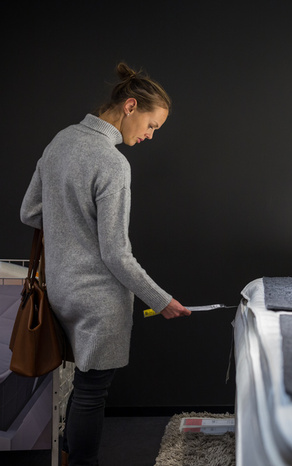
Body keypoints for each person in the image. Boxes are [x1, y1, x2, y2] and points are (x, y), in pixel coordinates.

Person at [20, 62, 191, 466]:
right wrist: (161, 299)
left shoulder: (60, 141)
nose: (149, 135)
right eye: (151, 125)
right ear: (130, 106)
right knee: (92, 391)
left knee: (75, 388)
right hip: (99, 299)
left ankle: (66, 455)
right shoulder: (112, 163)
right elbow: (115, 253)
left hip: (60, 290)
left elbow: (29, 211)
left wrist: (69, 225)